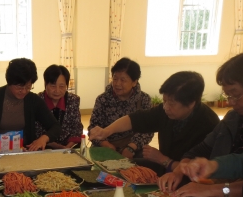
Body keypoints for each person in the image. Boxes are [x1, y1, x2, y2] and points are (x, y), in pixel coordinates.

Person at [89, 71, 219, 175]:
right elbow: (136, 119)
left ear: (191, 104)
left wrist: (163, 160)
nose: (165, 107)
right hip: (164, 168)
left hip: (187, 181)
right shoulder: (166, 111)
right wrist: (106, 131)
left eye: (171, 103)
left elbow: (197, 171)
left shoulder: (208, 125)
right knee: (115, 168)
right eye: (164, 101)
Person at [0, 58, 61, 152]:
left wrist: (44, 138)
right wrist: (9, 149)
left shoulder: (33, 100)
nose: (24, 91)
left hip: (25, 153)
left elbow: (56, 126)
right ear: (9, 82)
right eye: (19, 87)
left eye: (28, 87)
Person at [88, 58, 153, 158]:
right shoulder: (103, 99)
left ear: (134, 82)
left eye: (123, 80)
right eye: (115, 79)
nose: (117, 83)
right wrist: (105, 144)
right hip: (105, 147)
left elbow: (148, 130)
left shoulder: (144, 100)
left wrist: (131, 147)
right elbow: (93, 127)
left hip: (134, 149)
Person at [35, 65, 83, 149]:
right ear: (45, 84)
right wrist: (58, 147)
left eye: (61, 86)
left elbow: (76, 128)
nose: (57, 90)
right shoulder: (37, 101)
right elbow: (37, 131)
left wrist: (67, 147)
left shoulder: (73, 100)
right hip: (44, 146)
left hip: (69, 147)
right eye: (53, 86)